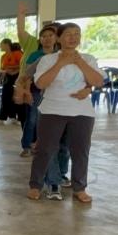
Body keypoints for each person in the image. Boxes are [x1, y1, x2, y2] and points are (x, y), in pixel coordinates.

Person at [27, 23, 104, 203]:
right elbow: (41, 83)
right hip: (52, 110)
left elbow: (98, 81)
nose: (73, 38)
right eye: (68, 34)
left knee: (80, 151)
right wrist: (61, 63)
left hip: (82, 112)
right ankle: (35, 185)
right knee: (45, 149)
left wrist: (79, 62)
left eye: (77, 34)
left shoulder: (88, 58)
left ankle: (79, 188)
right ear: (59, 38)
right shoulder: (48, 60)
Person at [18, 23, 59, 157]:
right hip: (36, 91)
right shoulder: (35, 55)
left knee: (52, 120)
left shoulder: (60, 55)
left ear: (56, 38)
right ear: (40, 40)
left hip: (55, 92)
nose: (47, 38)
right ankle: (26, 146)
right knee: (32, 119)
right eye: (44, 36)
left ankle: (46, 145)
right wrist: (27, 92)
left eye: (50, 35)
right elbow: (27, 76)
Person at [0, 38, 24, 125]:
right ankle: (3, 118)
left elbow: (22, 65)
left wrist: (11, 69)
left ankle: (18, 118)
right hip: (7, 78)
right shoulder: (3, 56)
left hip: (17, 77)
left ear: (6, 44)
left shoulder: (17, 53)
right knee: (5, 97)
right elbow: (1, 68)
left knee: (16, 97)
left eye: (1, 44)